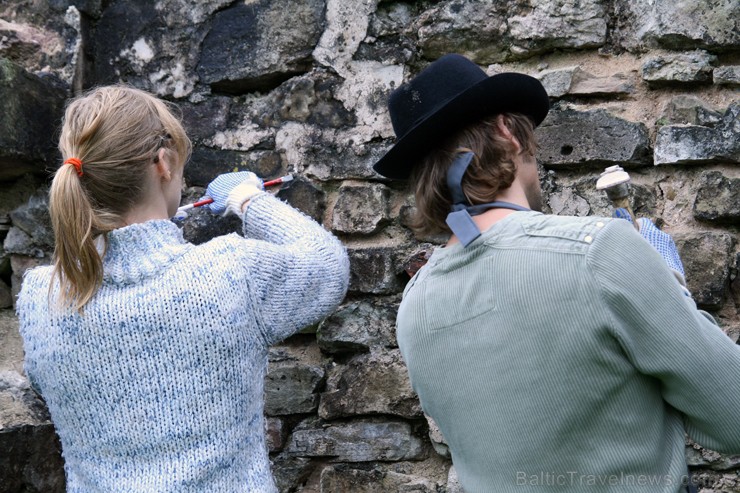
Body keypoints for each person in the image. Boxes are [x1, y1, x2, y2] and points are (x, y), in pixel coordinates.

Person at [373, 54, 740, 492]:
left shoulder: (413, 307)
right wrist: (669, 284)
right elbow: (732, 418)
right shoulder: (599, 251)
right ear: (508, 131)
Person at [17, 85, 349, 492]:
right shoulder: (229, 272)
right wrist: (248, 200)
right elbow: (328, 266)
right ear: (163, 162)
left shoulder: (39, 297)